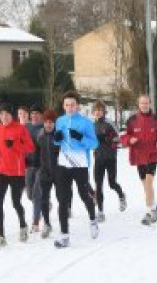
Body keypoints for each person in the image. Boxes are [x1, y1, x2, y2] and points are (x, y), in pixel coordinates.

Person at [53, 91, 99, 248]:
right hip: (63, 163)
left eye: (72, 104)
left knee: (84, 195)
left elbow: (94, 144)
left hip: (80, 164)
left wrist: (80, 138)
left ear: (78, 106)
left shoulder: (86, 123)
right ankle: (64, 235)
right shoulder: (60, 121)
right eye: (67, 105)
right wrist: (57, 140)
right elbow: (57, 141)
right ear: (63, 106)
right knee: (62, 199)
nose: (70, 107)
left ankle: (93, 219)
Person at [120, 95, 157, 225]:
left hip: (153, 154)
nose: (144, 105)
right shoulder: (131, 120)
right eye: (142, 103)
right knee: (145, 185)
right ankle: (154, 206)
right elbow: (124, 136)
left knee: (148, 183)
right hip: (139, 155)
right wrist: (129, 140)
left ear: (150, 104)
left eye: (147, 103)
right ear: (138, 104)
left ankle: (148, 212)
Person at [0, 102, 35, 249]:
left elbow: (30, 147)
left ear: (12, 116)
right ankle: (0, 236)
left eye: (7, 114)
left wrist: (15, 145)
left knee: (16, 203)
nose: (4, 116)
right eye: (2, 114)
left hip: (16, 172)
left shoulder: (20, 129)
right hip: (0, 170)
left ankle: (23, 225)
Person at [92, 100, 127, 222]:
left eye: (100, 110)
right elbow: (90, 142)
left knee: (112, 183)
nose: (98, 113)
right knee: (98, 185)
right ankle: (100, 212)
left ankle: (121, 196)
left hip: (110, 158)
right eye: (96, 111)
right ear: (93, 112)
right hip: (98, 159)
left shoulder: (109, 123)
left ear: (104, 112)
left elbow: (120, 139)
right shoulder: (92, 125)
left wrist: (107, 139)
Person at [36, 109, 60, 238]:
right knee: (44, 199)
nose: (48, 124)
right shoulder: (40, 135)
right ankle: (46, 223)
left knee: (61, 198)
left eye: (51, 122)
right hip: (45, 172)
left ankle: (63, 222)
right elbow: (36, 152)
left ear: (55, 123)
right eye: (46, 122)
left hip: (58, 172)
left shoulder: (60, 135)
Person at [25, 103, 44, 233]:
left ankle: (35, 222)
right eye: (32, 114)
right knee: (29, 195)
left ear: (41, 115)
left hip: (42, 165)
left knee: (36, 194)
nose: (34, 116)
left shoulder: (45, 127)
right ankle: (43, 205)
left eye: (37, 113)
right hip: (28, 164)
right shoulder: (26, 127)